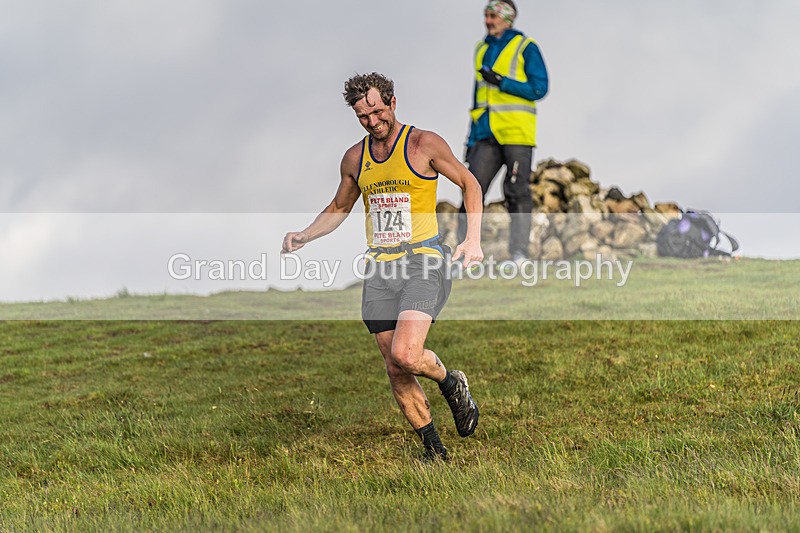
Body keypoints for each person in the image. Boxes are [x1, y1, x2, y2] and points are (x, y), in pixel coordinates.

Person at [282, 73, 484, 461]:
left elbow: (469, 183)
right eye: (363, 116)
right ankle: (435, 452)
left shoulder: (423, 143)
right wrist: (306, 234)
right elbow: (340, 206)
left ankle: (450, 382)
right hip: (379, 270)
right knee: (395, 368)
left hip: (423, 261)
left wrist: (472, 239)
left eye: (377, 112)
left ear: (392, 102)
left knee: (407, 353)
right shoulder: (354, 158)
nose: (373, 122)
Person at [458, 0, 549, 265]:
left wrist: (502, 82)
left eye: (493, 16)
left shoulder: (525, 47)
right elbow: (478, 98)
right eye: (486, 15)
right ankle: (465, 255)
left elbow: (540, 88)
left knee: (517, 191)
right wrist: (470, 140)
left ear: (507, 19)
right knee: (471, 190)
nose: (487, 21)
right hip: (484, 134)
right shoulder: (481, 48)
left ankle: (519, 254)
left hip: (516, 134)